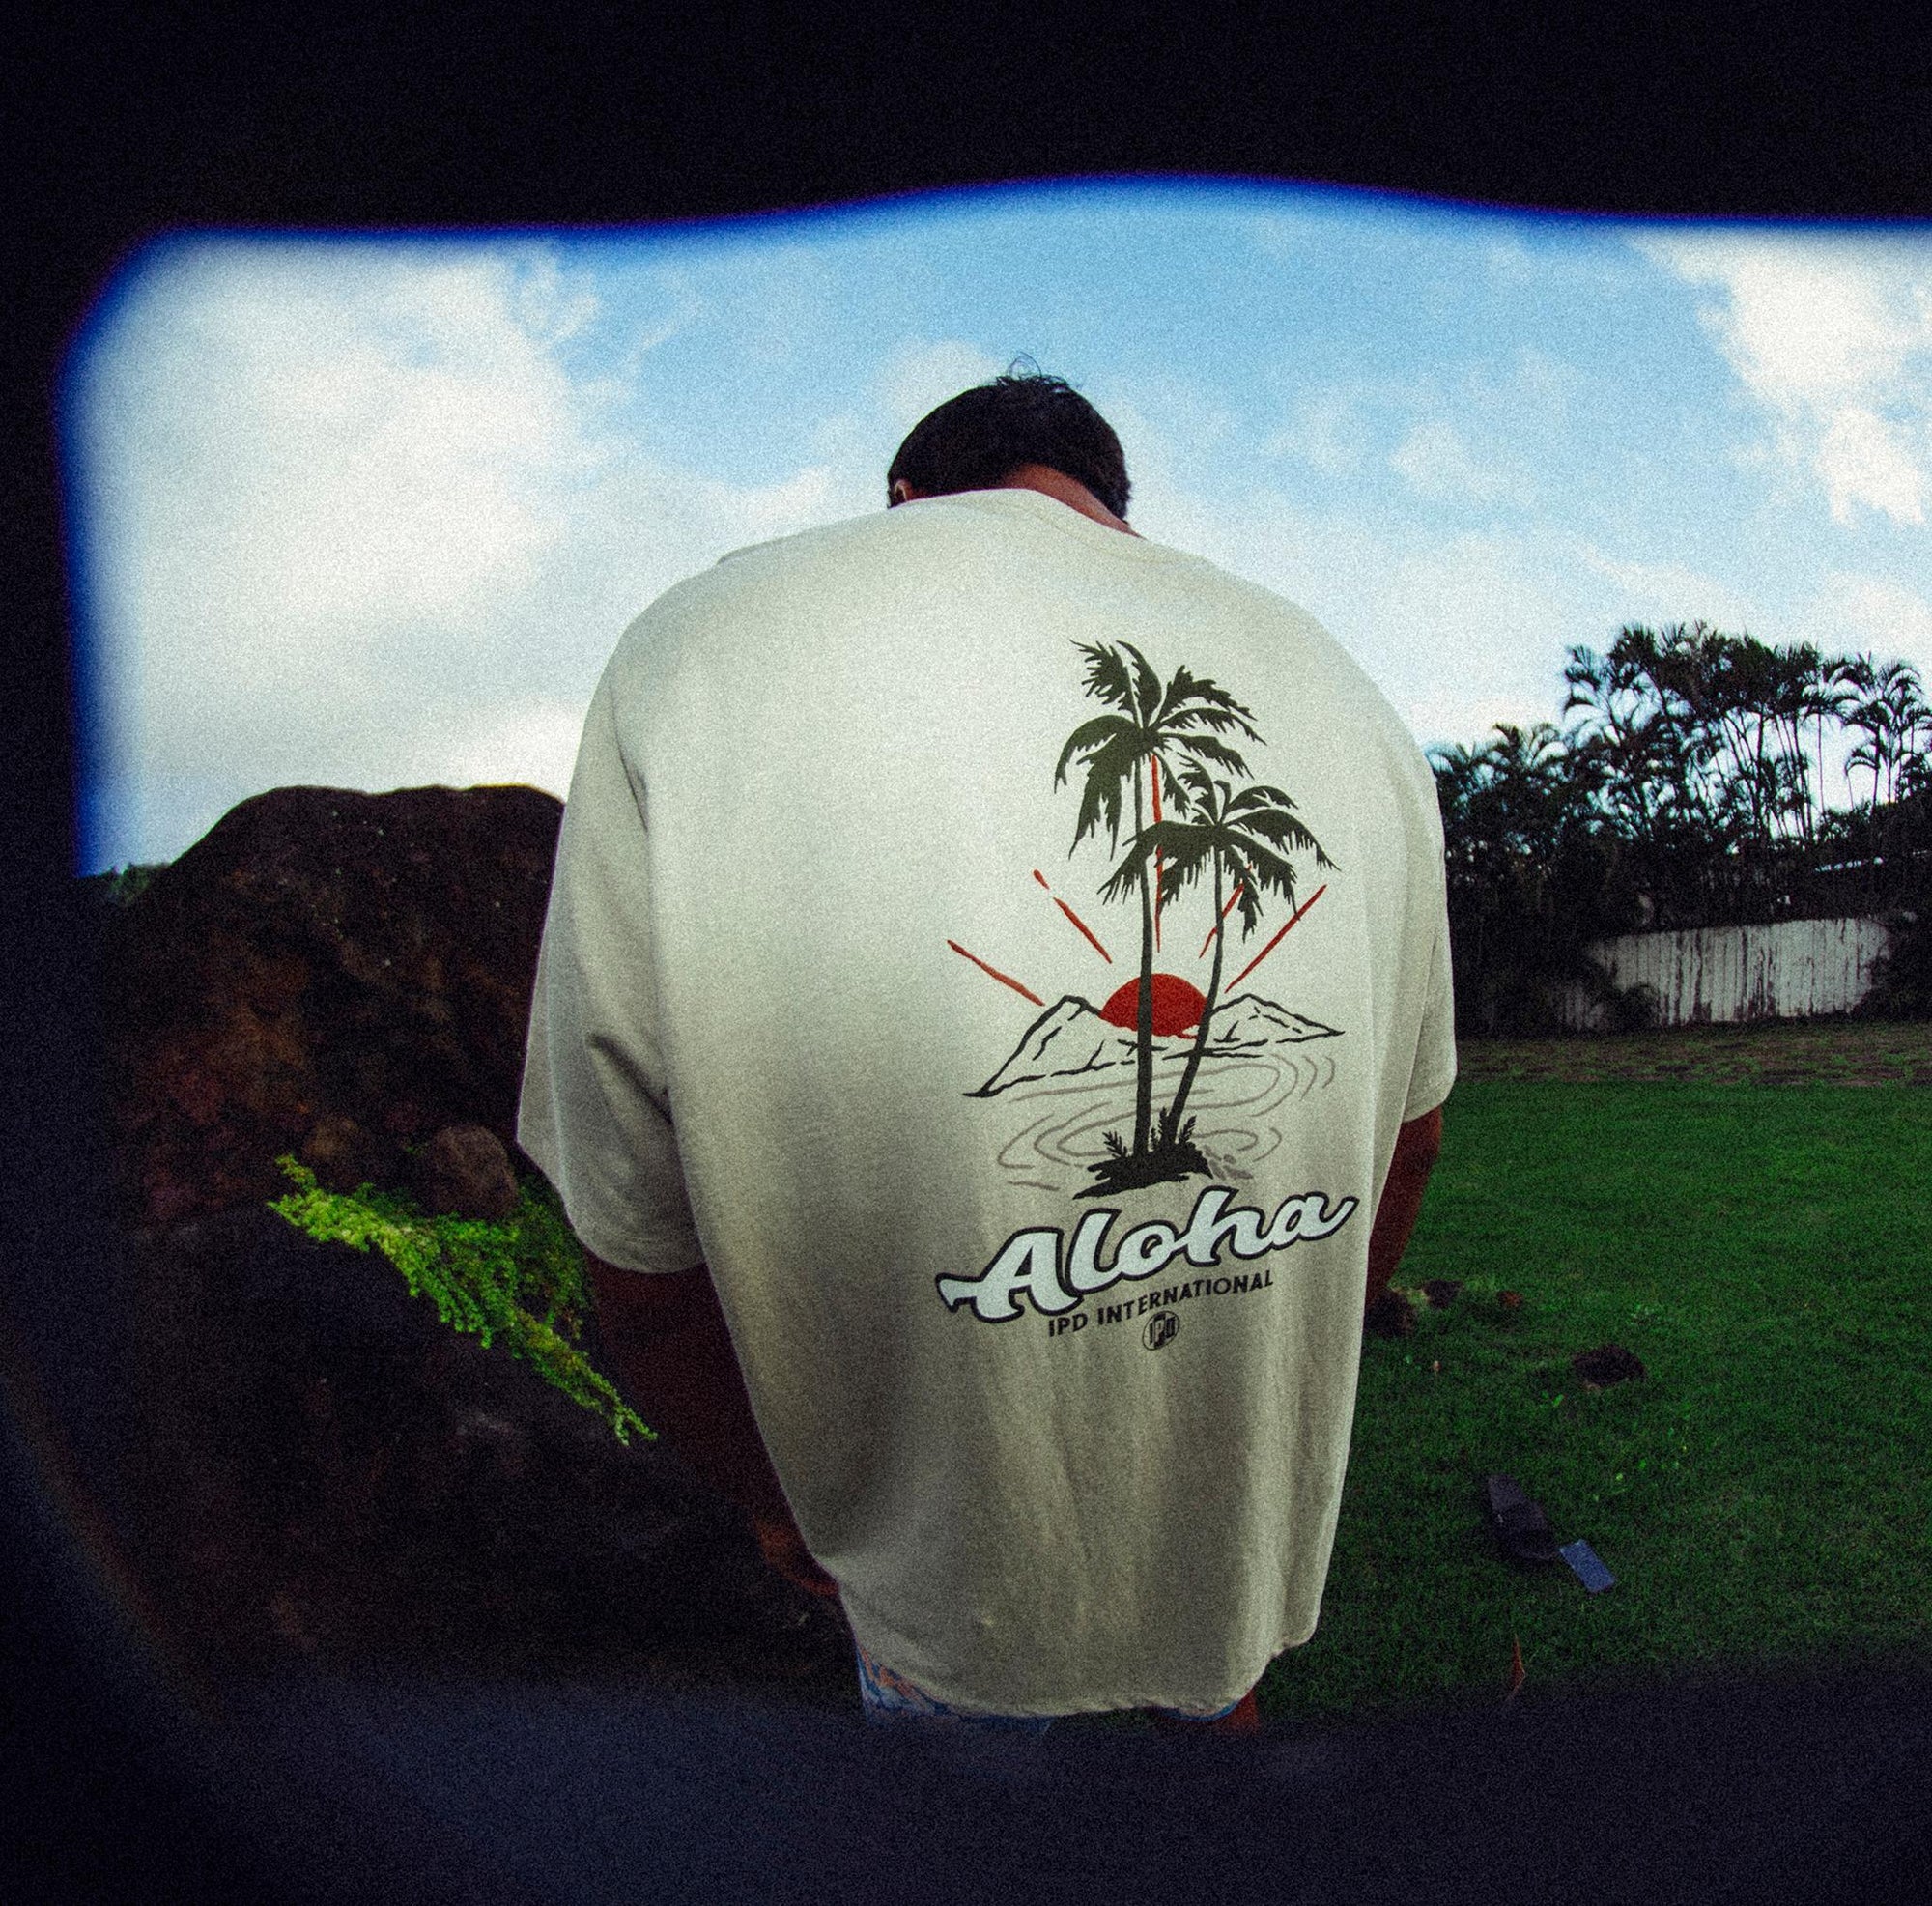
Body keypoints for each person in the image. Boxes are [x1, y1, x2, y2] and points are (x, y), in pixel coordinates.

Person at [517, 367, 1452, 1745]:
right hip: (1229, 1581)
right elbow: (1408, 1143)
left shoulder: (697, 651)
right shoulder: (1342, 687)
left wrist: (786, 1507)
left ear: (908, 496)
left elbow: (635, 1254)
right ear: (1112, 510)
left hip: (946, 1609)